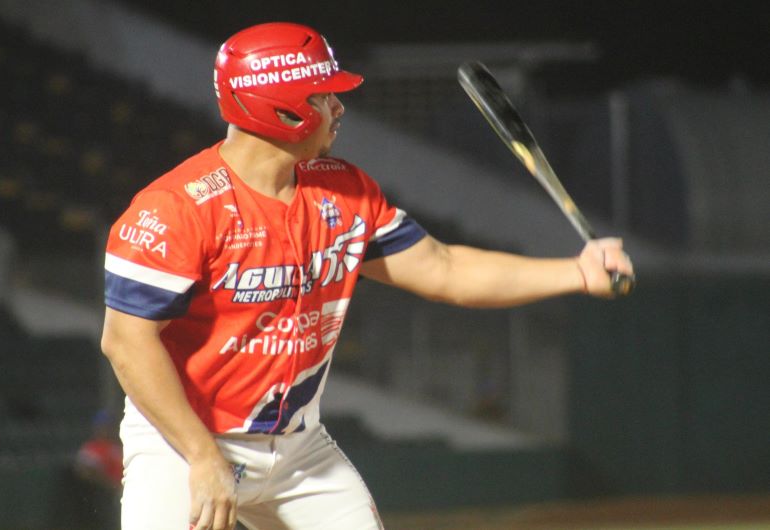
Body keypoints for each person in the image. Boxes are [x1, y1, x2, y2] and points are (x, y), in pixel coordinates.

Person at [100, 22, 634, 530]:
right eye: (322, 96)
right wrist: (200, 455)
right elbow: (126, 342)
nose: (338, 107)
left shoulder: (346, 191)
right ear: (280, 109)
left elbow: (444, 269)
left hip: (299, 451)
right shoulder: (174, 208)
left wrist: (577, 273)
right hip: (185, 442)